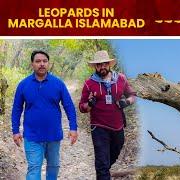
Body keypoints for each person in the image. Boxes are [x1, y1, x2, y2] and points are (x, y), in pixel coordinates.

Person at [11, 50, 78, 180]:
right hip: (32, 136)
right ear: (32, 64)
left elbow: (69, 106)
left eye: (44, 61)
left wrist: (73, 128)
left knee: (53, 167)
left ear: (48, 63)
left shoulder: (58, 83)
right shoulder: (23, 85)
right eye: (38, 61)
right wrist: (15, 131)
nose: (42, 64)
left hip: (53, 135)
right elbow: (17, 109)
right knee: (34, 168)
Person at [79, 50, 135, 180]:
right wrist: (90, 104)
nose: (102, 67)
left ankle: (103, 170)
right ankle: (102, 172)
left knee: (112, 156)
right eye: (99, 65)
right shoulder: (89, 83)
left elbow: (132, 95)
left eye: (104, 64)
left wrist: (126, 102)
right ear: (95, 66)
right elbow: (82, 107)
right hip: (98, 127)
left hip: (118, 126)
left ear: (109, 64)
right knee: (102, 163)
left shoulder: (121, 79)